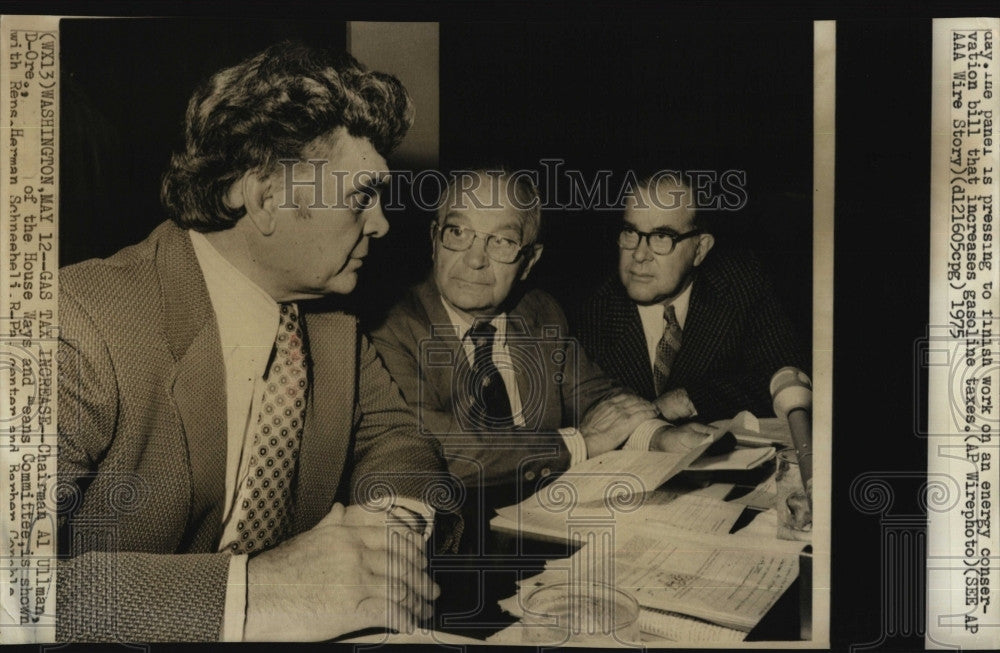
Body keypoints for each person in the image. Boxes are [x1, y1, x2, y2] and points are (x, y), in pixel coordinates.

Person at [56, 41, 457, 643]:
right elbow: (15, 586)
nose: (381, 223)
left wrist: (388, 533)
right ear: (267, 197)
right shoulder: (78, 324)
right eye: (361, 196)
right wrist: (256, 588)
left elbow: (399, 442)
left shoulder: (333, 325)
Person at [369, 169, 707, 525]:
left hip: (549, 527)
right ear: (434, 239)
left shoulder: (539, 312)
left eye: (502, 241)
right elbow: (430, 446)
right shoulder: (391, 327)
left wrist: (658, 437)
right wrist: (577, 445)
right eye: (457, 233)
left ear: (529, 261)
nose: (474, 259)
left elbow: (596, 397)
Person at [575, 174, 807, 424]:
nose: (640, 254)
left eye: (662, 236)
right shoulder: (589, 310)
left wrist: (692, 399)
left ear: (700, 249)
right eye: (630, 232)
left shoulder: (740, 285)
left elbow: (787, 377)